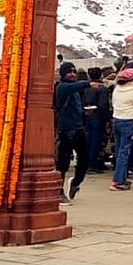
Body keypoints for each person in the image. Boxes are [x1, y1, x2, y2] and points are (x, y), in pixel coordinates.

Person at [54, 62, 94, 203]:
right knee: (63, 163)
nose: (72, 74)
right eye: (69, 72)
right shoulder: (63, 87)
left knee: (84, 159)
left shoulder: (74, 91)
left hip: (78, 128)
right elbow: (74, 86)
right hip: (66, 129)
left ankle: (76, 183)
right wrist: (88, 83)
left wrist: (84, 112)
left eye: (74, 72)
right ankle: (58, 191)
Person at [109, 67, 133, 191]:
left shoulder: (117, 89)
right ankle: (118, 181)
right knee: (124, 152)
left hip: (117, 120)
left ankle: (122, 178)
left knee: (119, 151)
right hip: (128, 122)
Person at [84, 67, 112, 174]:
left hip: (88, 115)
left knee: (89, 140)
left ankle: (87, 163)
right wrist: (107, 119)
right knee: (96, 141)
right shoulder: (102, 89)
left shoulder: (86, 88)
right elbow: (103, 105)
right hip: (98, 116)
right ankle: (93, 164)